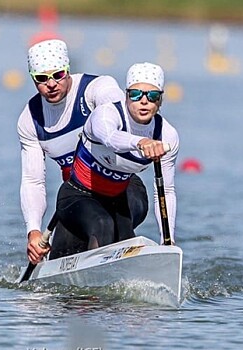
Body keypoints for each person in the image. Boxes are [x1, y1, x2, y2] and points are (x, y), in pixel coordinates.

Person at [17, 39, 149, 264]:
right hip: (77, 197)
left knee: (109, 223)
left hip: (123, 187)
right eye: (41, 78)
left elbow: (120, 115)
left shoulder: (97, 89)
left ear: (68, 70)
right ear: (32, 78)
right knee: (95, 227)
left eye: (58, 75)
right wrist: (34, 232)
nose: (51, 84)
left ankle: (121, 277)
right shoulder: (30, 120)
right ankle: (89, 295)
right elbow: (33, 181)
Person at [54, 62, 179, 253]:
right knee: (103, 224)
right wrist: (141, 142)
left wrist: (167, 241)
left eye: (152, 96)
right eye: (136, 94)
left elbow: (166, 191)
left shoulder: (167, 135)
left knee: (124, 230)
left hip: (121, 194)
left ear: (160, 100)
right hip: (78, 194)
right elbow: (110, 138)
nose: (144, 101)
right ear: (126, 95)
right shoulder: (106, 114)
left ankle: (122, 260)